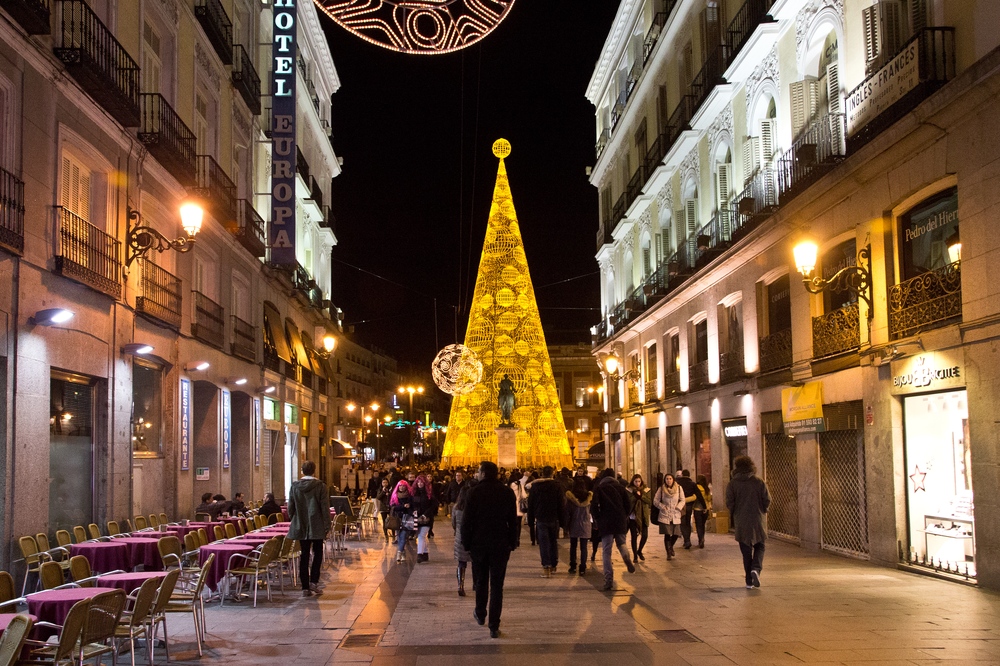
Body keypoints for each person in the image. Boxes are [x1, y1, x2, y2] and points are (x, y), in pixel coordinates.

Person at [461, 461, 518, 639]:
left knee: (481, 581)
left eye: (478, 472)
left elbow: (466, 521)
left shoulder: (473, 492)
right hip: (500, 544)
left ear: (483, 473)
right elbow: (513, 520)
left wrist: (466, 543)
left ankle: (480, 613)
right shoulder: (507, 492)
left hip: (479, 544)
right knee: (497, 586)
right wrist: (513, 541)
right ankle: (494, 625)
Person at [287, 460, 331, 597]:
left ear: (302, 471)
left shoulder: (294, 487)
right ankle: (314, 582)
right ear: (314, 471)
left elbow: (290, 507)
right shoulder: (321, 486)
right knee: (318, 553)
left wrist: (295, 519)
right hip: (316, 525)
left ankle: (305, 587)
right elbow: (325, 508)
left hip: (301, 524)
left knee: (304, 555)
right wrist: (327, 525)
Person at [725, 455, 770, 589]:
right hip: (757, 518)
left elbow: (729, 502)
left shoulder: (732, 483)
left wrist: (734, 513)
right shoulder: (759, 481)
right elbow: (767, 499)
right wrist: (763, 509)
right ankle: (756, 568)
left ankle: (748, 581)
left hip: (741, 519)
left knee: (745, 550)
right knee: (760, 545)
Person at [591, 468, 635, 590]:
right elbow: (628, 504)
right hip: (620, 521)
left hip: (606, 522)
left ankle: (608, 579)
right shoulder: (621, 488)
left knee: (606, 551)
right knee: (621, 544)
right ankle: (626, 556)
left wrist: (598, 518)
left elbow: (594, 506)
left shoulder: (600, 488)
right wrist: (624, 515)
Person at [526, 465, 564, 577]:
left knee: (543, 544)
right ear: (552, 474)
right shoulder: (557, 486)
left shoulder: (536, 487)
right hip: (553, 518)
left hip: (541, 518)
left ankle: (546, 567)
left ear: (542, 473)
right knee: (553, 542)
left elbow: (531, 504)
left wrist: (530, 519)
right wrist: (563, 521)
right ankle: (553, 565)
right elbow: (561, 504)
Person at [653, 473, 686, 560]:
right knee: (667, 534)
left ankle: (670, 546)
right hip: (665, 514)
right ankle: (668, 553)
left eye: (670, 478)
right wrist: (662, 507)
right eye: (667, 479)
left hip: (675, 513)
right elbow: (655, 501)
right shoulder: (661, 489)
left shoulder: (679, 488)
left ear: (673, 479)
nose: (669, 480)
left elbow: (683, 499)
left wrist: (678, 507)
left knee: (676, 533)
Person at [451, 480, 475, 596]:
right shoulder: (474, 507)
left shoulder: (456, 507)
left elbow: (453, 523)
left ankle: (460, 585)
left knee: (462, 563)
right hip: (474, 537)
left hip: (460, 538)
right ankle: (476, 584)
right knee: (476, 562)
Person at [564, 476, 593, 575]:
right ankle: (583, 567)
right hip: (585, 524)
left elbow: (567, 513)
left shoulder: (571, 498)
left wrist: (566, 526)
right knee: (584, 547)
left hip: (574, 523)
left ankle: (573, 566)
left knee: (573, 546)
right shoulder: (589, 498)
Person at [675, 470, 704, 549]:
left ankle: (687, 541)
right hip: (689, 506)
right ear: (689, 475)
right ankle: (693, 539)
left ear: (682, 474)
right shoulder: (692, 484)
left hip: (680, 506)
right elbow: (699, 495)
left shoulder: (677, 483)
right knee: (687, 522)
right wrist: (704, 506)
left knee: (683, 523)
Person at [411, 474, 438, 562]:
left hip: (427, 518)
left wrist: (426, 514)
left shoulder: (429, 494)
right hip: (417, 517)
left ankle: (420, 554)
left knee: (421, 535)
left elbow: (434, 505)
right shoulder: (414, 493)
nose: (420, 484)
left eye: (421, 482)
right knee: (420, 535)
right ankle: (425, 553)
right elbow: (412, 504)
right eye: (418, 482)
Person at [627, 474, 651, 563]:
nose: (637, 483)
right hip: (633, 516)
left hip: (643, 516)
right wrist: (635, 496)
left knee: (644, 536)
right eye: (636, 481)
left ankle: (639, 550)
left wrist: (641, 496)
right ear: (633, 482)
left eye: (639, 481)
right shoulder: (629, 490)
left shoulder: (646, 490)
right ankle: (635, 556)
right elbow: (628, 502)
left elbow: (649, 501)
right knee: (634, 536)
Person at [390, 480, 415, 563]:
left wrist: (409, 506)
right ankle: (403, 553)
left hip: (407, 519)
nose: (402, 487)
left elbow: (413, 506)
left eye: (403, 486)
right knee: (399, 537)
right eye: (400, 486)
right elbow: (392, 507)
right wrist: (403, 506)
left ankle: (399, 552)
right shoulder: (395, 496)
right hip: (397, 519)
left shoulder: (410, 496)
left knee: (403, 536)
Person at [509, 470, 527, 548]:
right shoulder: (520, 486)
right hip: (519, 508)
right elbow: (524, 495)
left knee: (511, 525)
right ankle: (517, 540)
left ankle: (512, 540)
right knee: (518, 525)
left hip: (511, 508)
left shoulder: (509, 486)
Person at [694, 474, 712, 549]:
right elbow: (709, 499)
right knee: (703, 525)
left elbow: (694, 497)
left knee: (698, 525)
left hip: (697, 508)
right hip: (706, 509)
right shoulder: (707, 488)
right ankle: (702, 538)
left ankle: (700, 539)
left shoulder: (696, 487)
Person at [375, 478, 393, 542]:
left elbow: (393, 497)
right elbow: (378, 497)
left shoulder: (391, 489)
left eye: (386, 482)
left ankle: (393, 535)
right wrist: (383, 492)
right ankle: (386, 536)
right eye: (383, 482)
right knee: (384, 522)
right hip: (383, 508)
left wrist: (389, 493)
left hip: (390, 507)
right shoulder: (380, 489)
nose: (385, 484)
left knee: (392, 521)